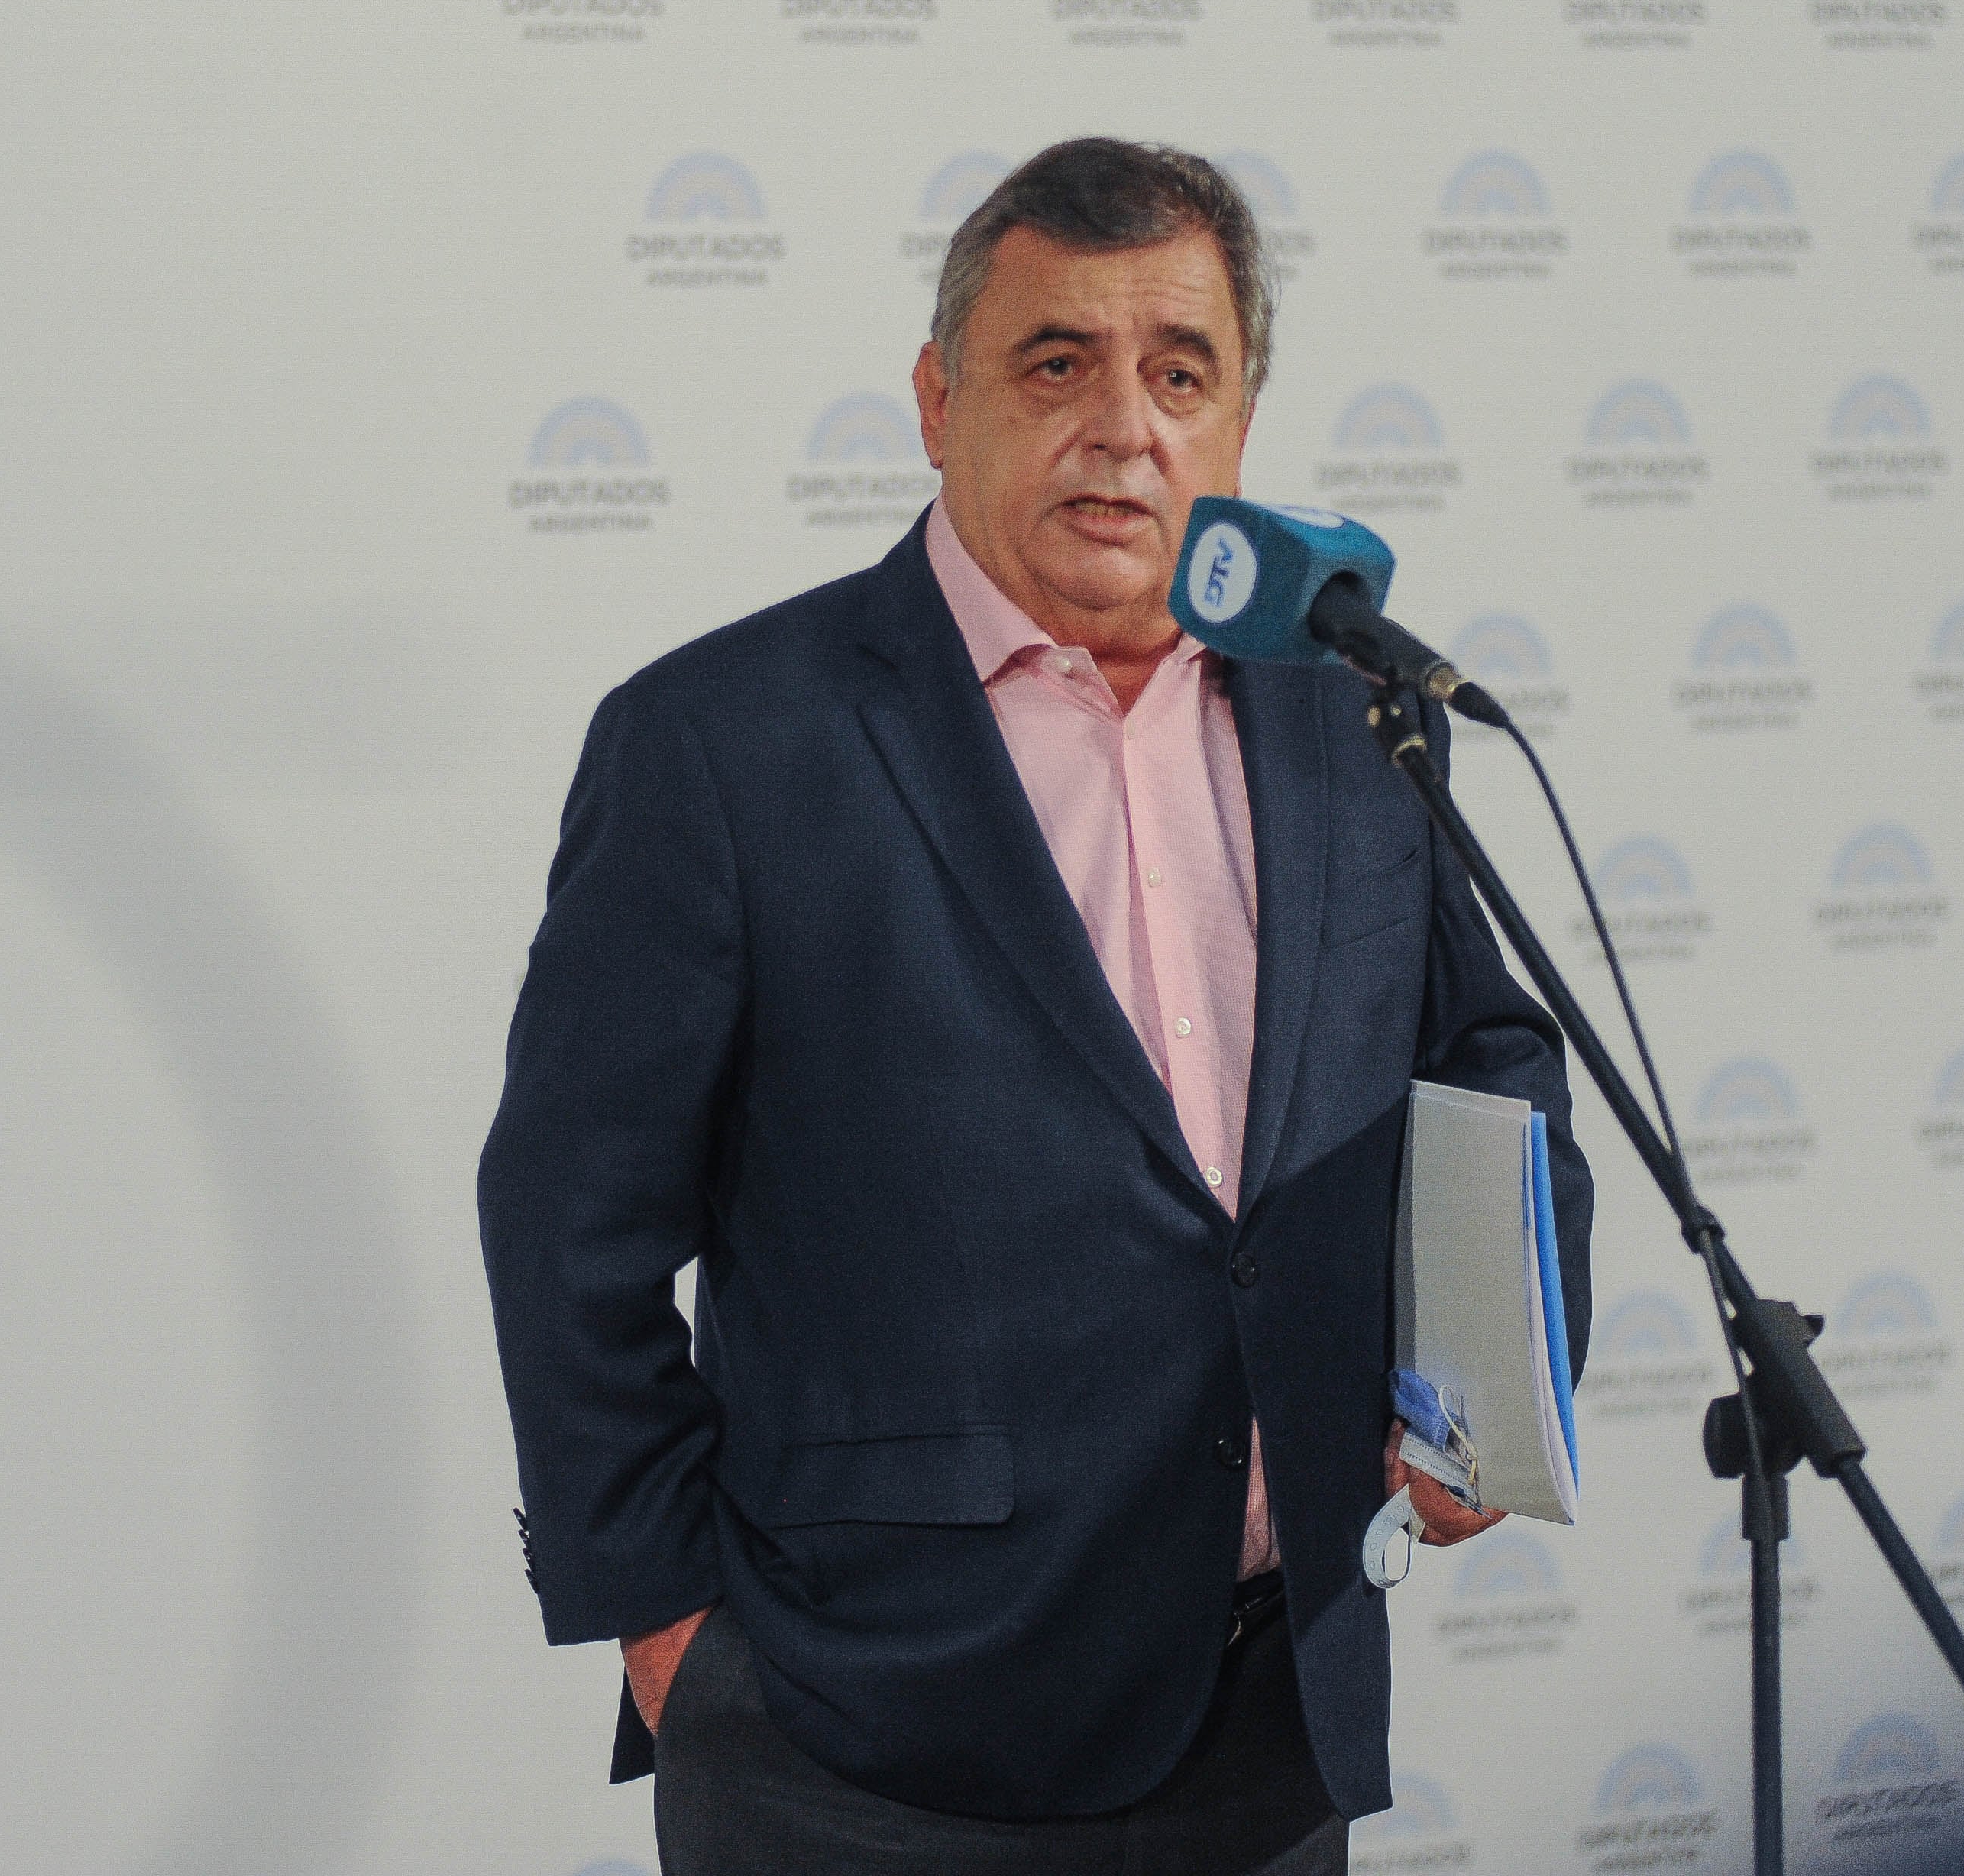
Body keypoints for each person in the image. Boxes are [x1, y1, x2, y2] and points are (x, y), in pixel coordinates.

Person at [477, 137, 1594, 1874]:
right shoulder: (722, 743)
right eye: (1054, 361)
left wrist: (1481, 1390)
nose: (1122, 423)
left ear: (1237, 425)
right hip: (862, 1745)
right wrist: (672, 1632)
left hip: (1265, 1728)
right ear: (937, 401)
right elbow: (567, 1219)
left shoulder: (1350, 718)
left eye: (1178, 372)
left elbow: (1489, 1052)